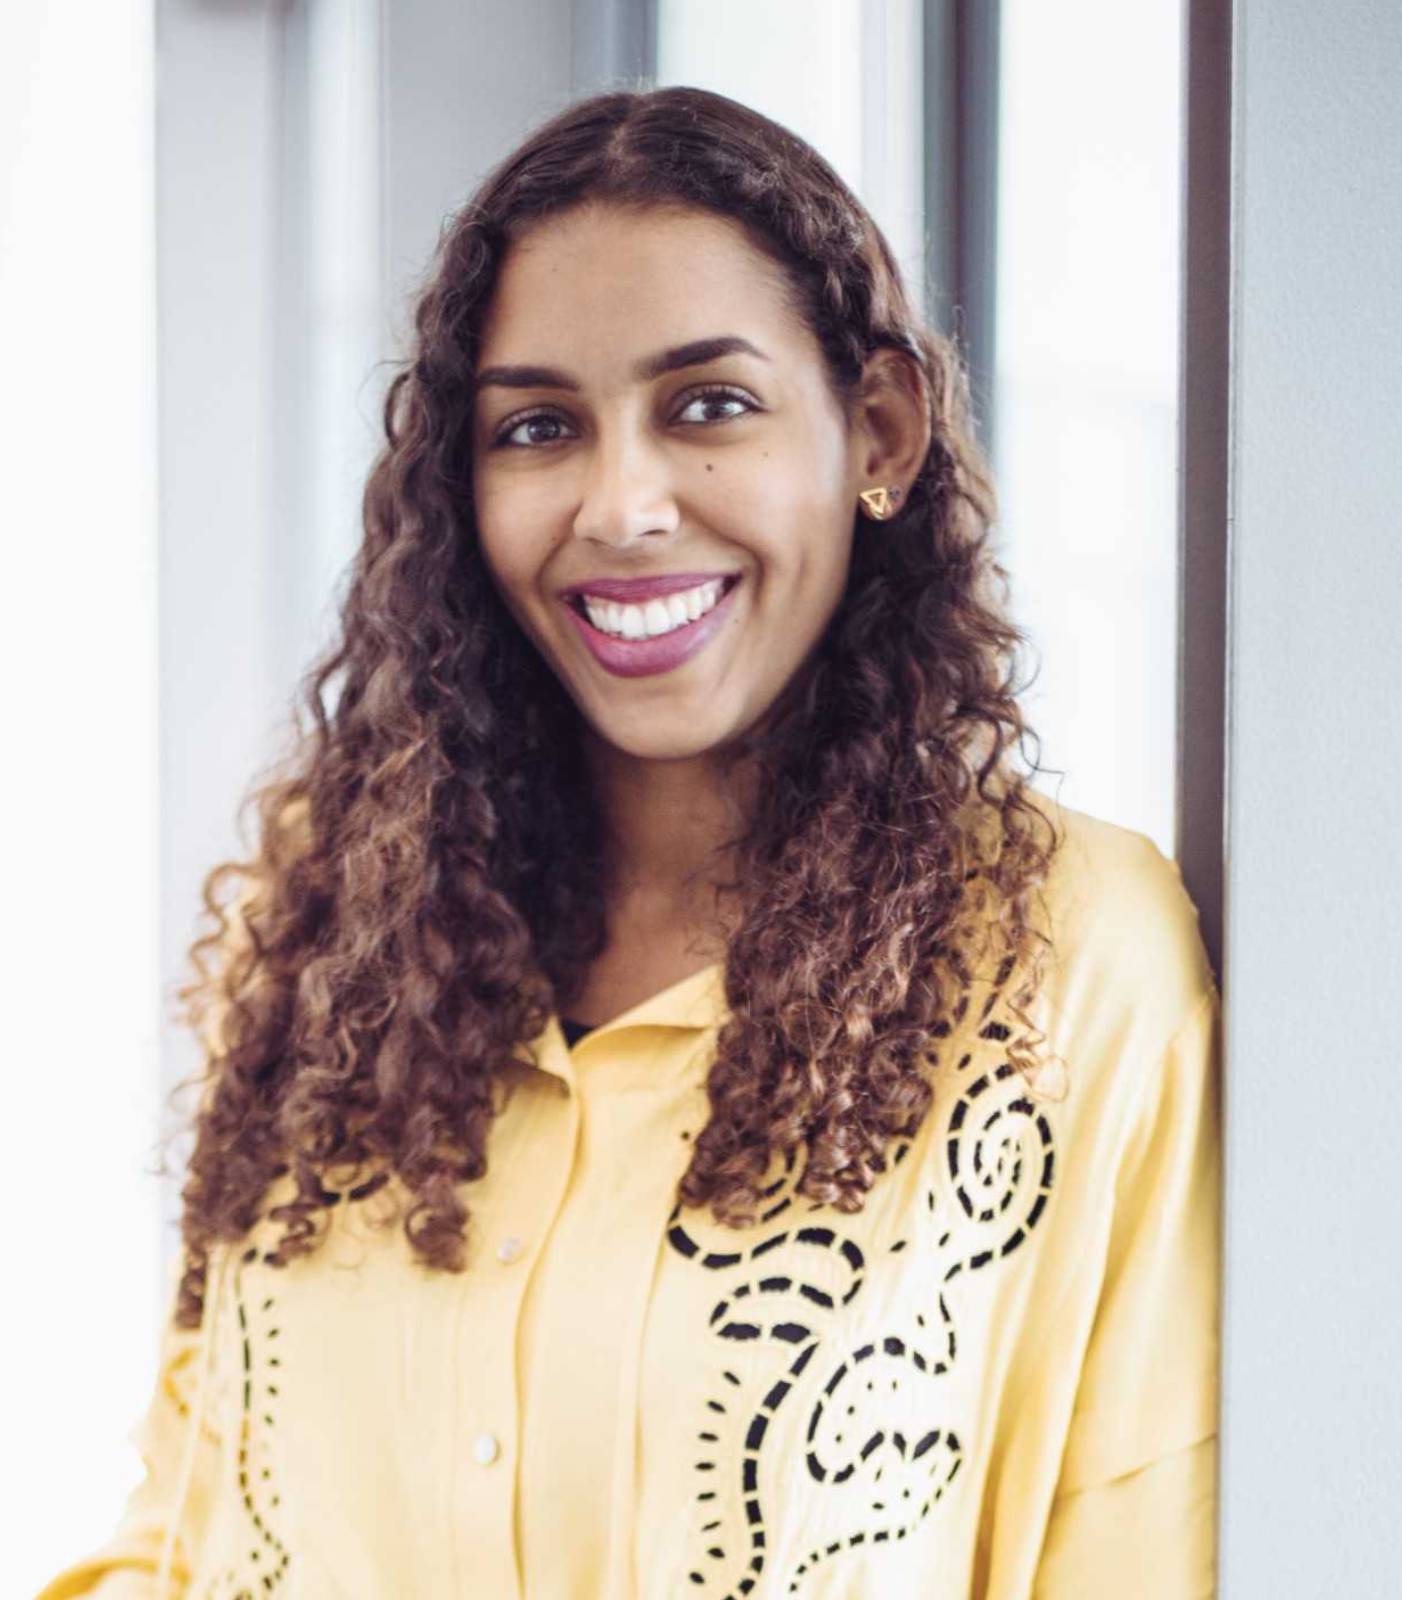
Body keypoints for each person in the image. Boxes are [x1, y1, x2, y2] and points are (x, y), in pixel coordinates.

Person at [37, 85, 1221, 1600]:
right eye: (538, 428)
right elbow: (187, 1520)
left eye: (706, 405)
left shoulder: (1064, 963)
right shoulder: (334, 927)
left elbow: (1138, 1544)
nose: (623, 505)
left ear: (876, 430)